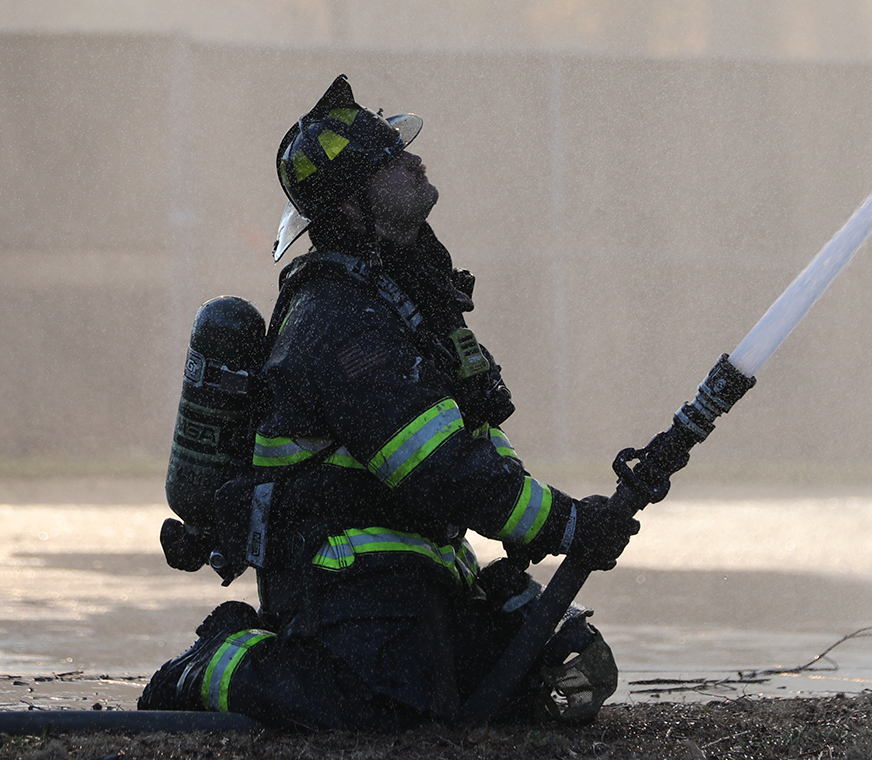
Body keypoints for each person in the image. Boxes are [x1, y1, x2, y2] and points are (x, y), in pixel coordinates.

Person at [139, 74, 639, 730]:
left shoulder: (407, 301)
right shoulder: (340, 320)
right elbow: (437, 467)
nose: (412, 159)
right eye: (389, 160)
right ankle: (221, 658)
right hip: (344, 585)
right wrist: (569, 526)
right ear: (351, 206)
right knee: (382, 713)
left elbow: (478, 442)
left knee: (555, 673)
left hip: (426, 582)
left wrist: (542, 528)